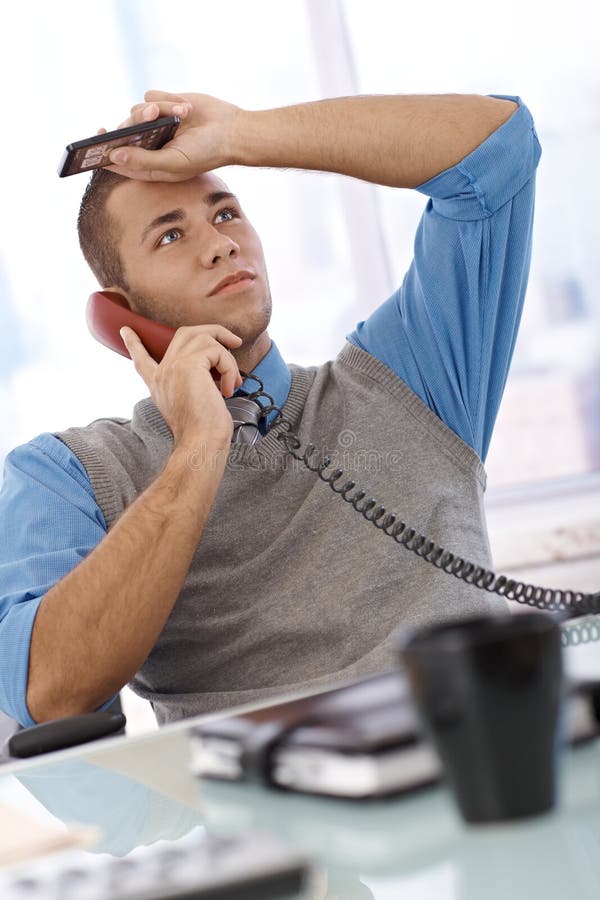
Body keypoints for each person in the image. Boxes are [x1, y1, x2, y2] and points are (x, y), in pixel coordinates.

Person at [0, 89, 541, 727]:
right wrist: (199, 445)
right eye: (170, 234)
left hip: (488, 780)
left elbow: (498, 150)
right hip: (269, 814)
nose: (219, 245)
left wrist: (238, 134)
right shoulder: (67, 474)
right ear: (122, 311)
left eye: (225, 215)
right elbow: (49, 691)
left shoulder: (410, 378)